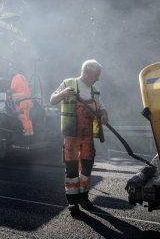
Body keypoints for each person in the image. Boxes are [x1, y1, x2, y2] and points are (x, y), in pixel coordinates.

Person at [50, 59, 108, 215]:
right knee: (72, 170)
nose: (98, 79)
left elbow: (102, 108)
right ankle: (73, 202)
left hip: (87, 137)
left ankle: (84, 198)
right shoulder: (68, 83)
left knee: (87, 170)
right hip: (71, 137)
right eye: (96, 75)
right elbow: (52, 100)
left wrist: (104, 115)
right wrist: (63, 93)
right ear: (87, 72)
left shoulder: (94, 90)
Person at [9, 67, 34, 136]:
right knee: (27, 117)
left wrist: (6, 92)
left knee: (22, 116)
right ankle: (30, 132)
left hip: (21, 100)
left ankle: (26, 132)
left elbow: (12, 89)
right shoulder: (22, 77)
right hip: (27, 100)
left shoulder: (15, 78)